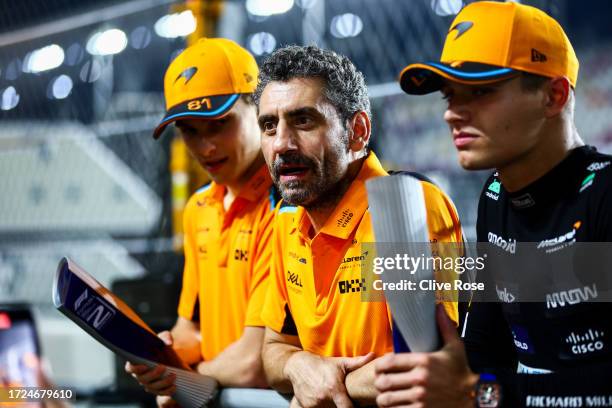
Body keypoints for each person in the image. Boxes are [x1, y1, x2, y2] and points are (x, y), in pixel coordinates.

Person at [376, 1, 612, 407]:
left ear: (554, 95)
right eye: (449, 95)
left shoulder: (605, 194)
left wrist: (477, 393)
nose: (452, 113)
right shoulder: (495, 196)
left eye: (481, 91)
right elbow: (486, 343)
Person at [253, 45, 463, 407]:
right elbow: (273, 352)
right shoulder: (285, 221)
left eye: (303, 120)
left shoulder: (411, 206)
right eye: (269, 126)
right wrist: (300, 365)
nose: (282, 144)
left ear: (358, 131)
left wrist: (327, 384)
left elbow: (428, 366)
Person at [125, 38, 277, 405]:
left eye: (219, 124)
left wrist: (183, 381)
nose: (206, 147)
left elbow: (256, 361)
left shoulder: (285, 206)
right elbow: (191, 327)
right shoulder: (199, 209)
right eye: (189, 130)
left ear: (258, 107)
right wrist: (164, 352)